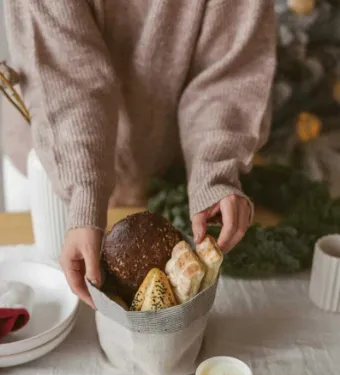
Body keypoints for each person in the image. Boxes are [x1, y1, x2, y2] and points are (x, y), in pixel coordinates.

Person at [4, 0, 276, 307]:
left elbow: (227, 76)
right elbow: (66, 75)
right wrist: (84, 196)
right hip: (55, 164)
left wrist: (214, 169)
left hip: (174, 165)